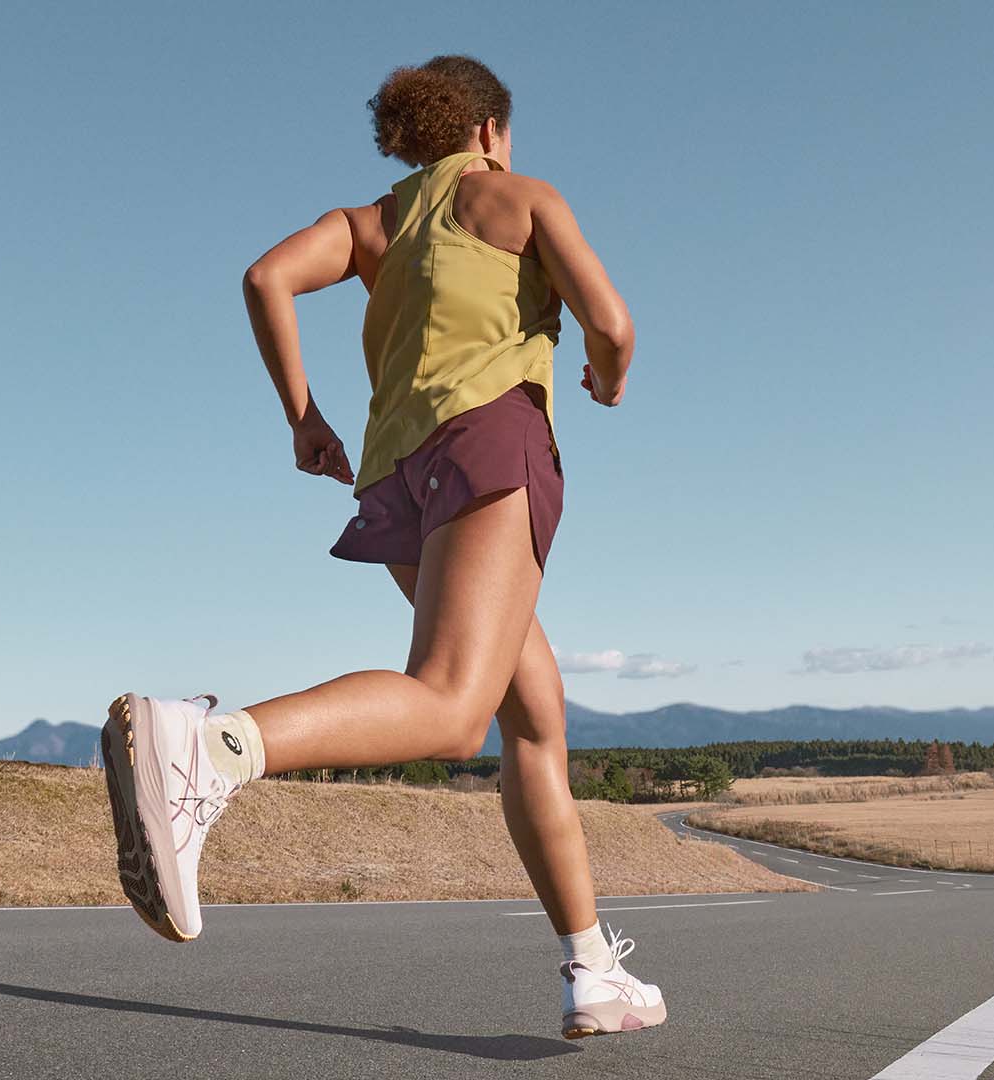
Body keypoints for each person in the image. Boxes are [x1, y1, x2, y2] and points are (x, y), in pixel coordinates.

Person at [100, 54, 662, 1040]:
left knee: (533, 719)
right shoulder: (518, 198)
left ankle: (592, 966)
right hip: (492, 447)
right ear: (488, 131)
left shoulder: (372, 224)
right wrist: (606, 376)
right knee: (452, 705)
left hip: (398, 477)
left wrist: (303, 418)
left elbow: (266, 276)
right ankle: (213, 748)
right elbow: (610, 324)